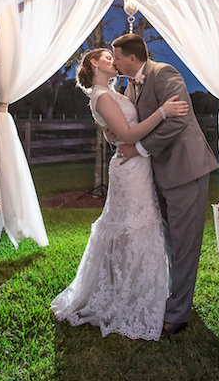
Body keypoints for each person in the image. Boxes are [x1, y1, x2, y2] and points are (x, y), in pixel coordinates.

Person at [50, 48, 188, 341]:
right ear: (93, 64)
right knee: (130, 228)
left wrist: (109, 132)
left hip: (138, 165)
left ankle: (140, 290)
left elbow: (114, 129)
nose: (114, 61)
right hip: (128, 168)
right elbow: (126, 134)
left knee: (140, 227)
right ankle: (122, 295)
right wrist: (163, 113)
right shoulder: (100, 95)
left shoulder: (115, 92)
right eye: (108, 57)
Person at [111, 33, 218, 337]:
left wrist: (139, 148)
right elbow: (132, 125)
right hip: (160, 173)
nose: (114, 62)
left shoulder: (164, 73)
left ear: (132, 58)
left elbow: (178, 121)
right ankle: (173, 298)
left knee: (185, 245)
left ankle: (178, 314)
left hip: (185, 169)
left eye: (116, 56)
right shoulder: (129, 86)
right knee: (169, 240)